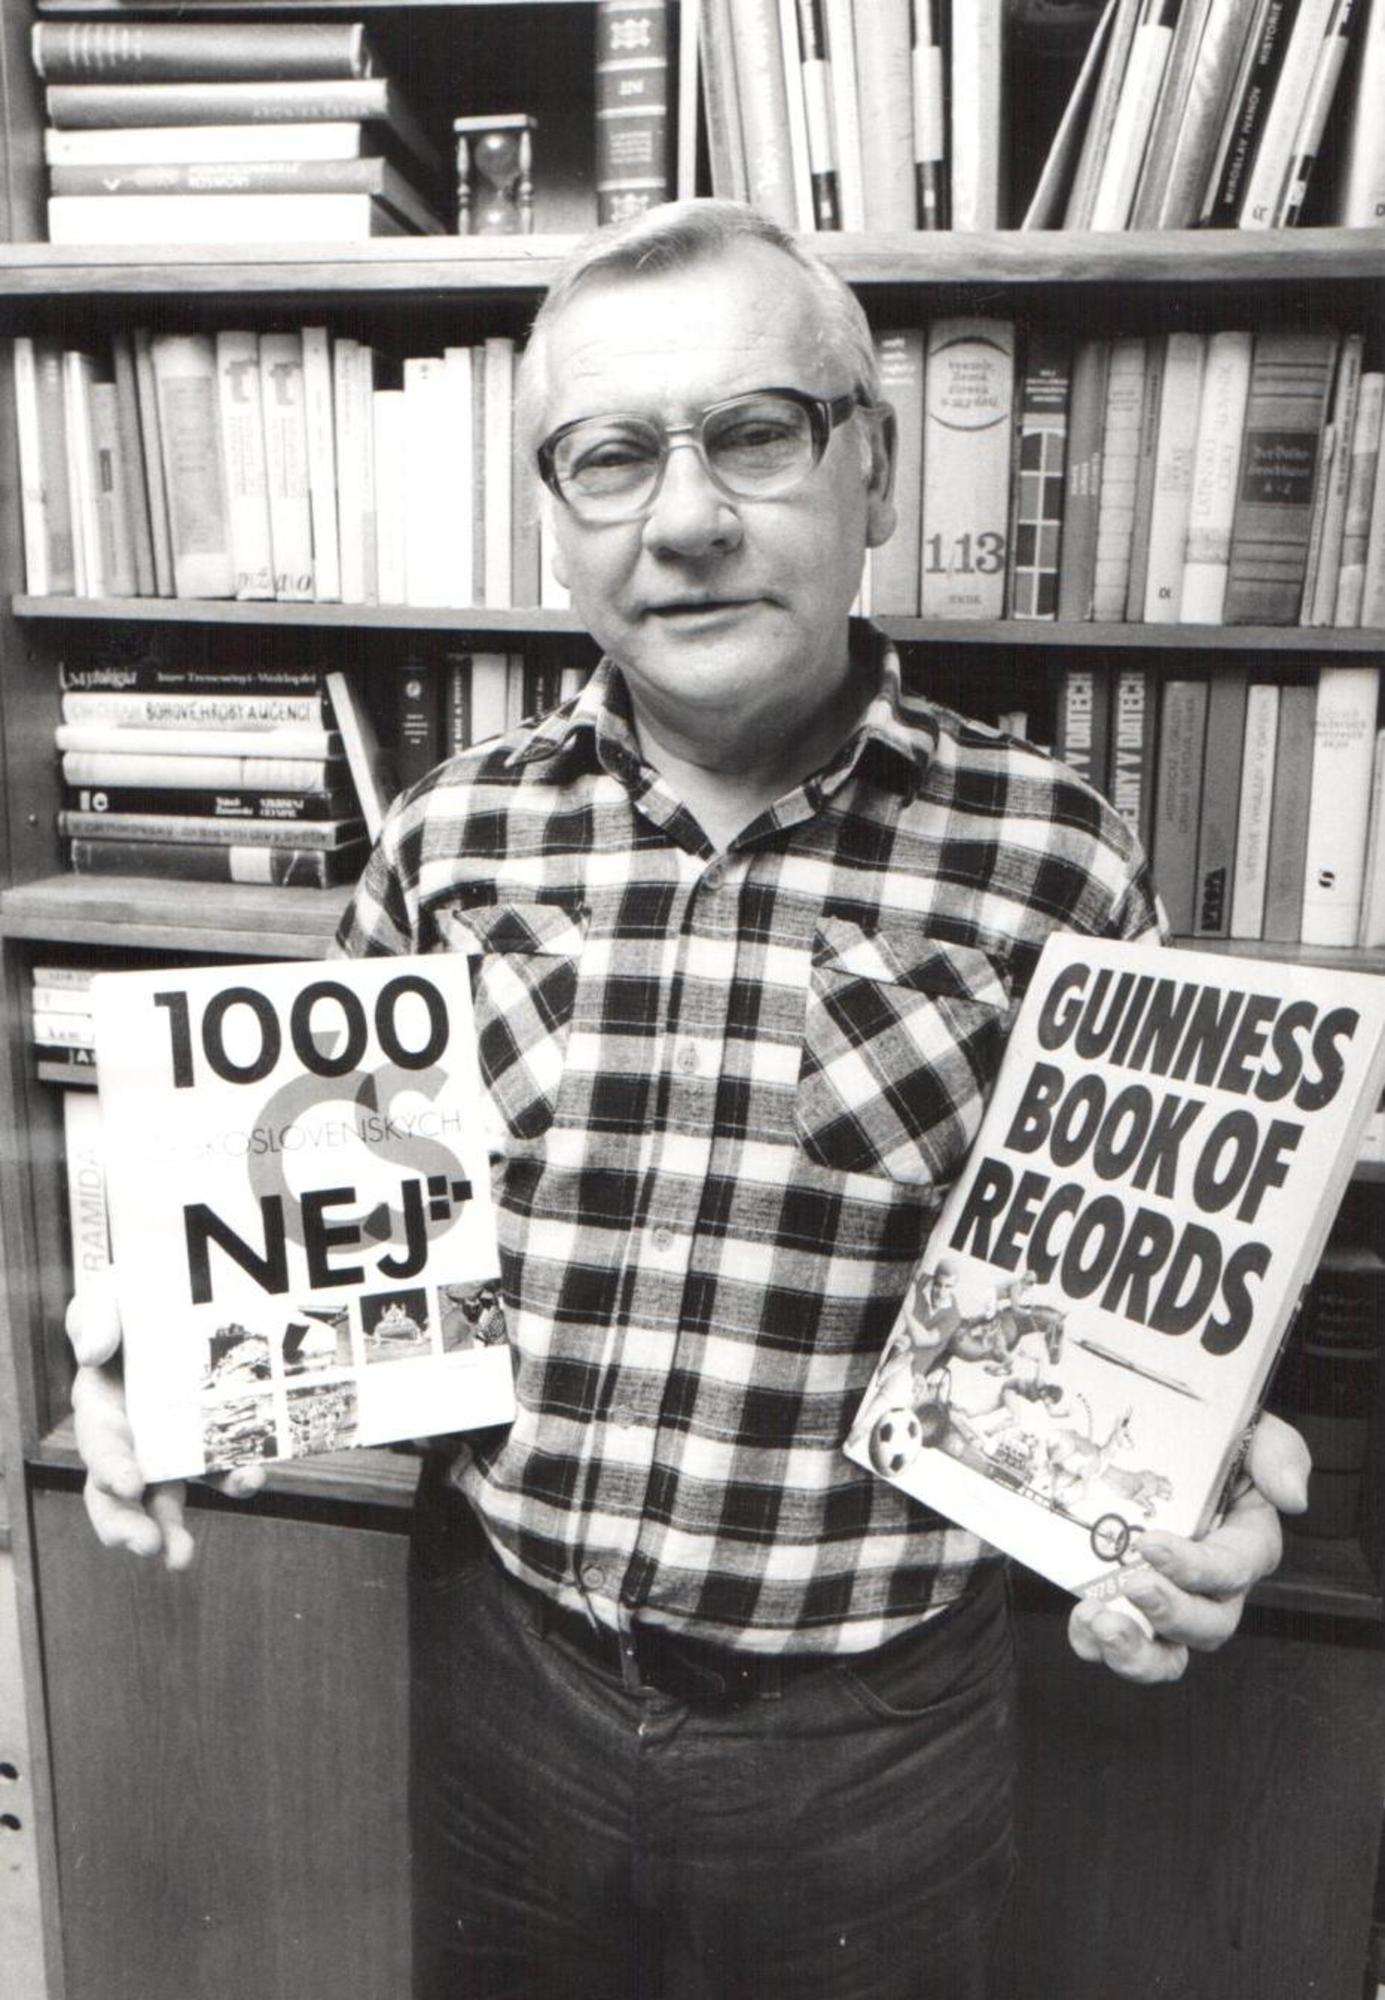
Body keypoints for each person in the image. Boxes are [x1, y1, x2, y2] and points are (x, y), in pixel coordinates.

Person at [68, 200, 1310, 2000]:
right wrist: (173, 1374)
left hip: (874, 1733)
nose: (685, 517)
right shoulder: (448, 839)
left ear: (873, 469)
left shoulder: (1060, 861)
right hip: (505, 1669)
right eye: (610, 457)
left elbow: (1144, 1331)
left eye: (752, 433)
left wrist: (1203, 1480)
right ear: (557, 515)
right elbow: (303, 1243)